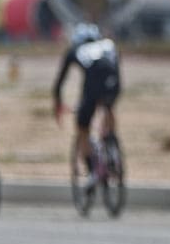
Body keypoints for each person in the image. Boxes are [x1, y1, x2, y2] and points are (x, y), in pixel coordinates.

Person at [52, 22, 121, 176]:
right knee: (108, 105)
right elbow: (115, 64)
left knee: (82, 126)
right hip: (114, 82)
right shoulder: (108, 45)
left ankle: (92, 171)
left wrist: (57, 103)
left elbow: (59, 82)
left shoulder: (75, 49)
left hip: (93, 87)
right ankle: (112, 145)